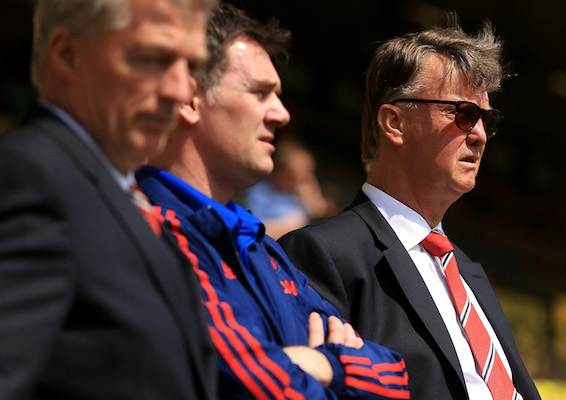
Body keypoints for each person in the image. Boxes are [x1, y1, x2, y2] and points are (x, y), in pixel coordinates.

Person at [135, 4, 409, 399]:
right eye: (260, 92)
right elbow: (266, 390)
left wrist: (320, 363)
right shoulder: (149, 230)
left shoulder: (264, 248)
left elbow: (396, 381)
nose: (281, 114)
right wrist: (338, 369)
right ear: (189, 98)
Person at [279, 15, 542, 400]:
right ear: (395, 123)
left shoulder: (469, 273)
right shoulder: (324, 254)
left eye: (488, 119)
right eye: (463, 114)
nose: (481, 135)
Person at [0, 0, 217, 399]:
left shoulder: (117, 196)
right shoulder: (32, 178)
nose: (180, 90)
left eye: (190, 67)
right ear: (67, 55)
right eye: (153, 58)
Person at [239, 136, 338, 238]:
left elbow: (327, 217)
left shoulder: (304, 195)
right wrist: (292, 225)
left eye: (308, 175)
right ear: (279, 173)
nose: (303, 182)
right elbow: (253, 229)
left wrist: (315, 202)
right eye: (296, 176)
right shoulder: (261, 192)